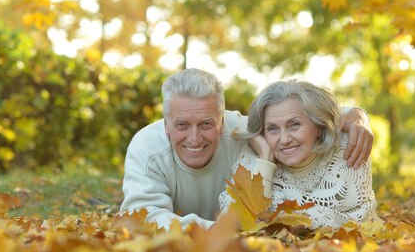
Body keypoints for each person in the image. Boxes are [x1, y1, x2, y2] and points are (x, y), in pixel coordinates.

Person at [120, 69, 374, 230]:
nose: (194, 138)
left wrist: (357, 115)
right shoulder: (147, 148)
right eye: (182, 125)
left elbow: (305, 114)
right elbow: (141, 217)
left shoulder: (242, 130)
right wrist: (222, 232)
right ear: (166, 124)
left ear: (223, 121)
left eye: (206, 124)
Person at [218, 80, 377, 228]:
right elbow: (235, 221)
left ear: (319, 126)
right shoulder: (256, 154)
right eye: (272, 129)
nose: (284, 139)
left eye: (294, 125)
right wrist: (266, 159)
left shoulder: (348, 146)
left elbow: (361, 218)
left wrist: (276, 218)